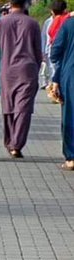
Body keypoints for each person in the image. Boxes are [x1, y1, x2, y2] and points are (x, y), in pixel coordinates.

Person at [0, 0, 43, 158]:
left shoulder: (0, 22)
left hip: (7, 70)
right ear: (25, 3)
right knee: (23, 108)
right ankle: (16, 144)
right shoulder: (32, 24)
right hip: (27, 70)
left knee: (8, 107)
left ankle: (9, 141)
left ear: (10, 3)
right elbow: (38, 51)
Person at [50, 15, 74, 170]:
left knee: (70, 116)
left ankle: (71, 158)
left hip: (70, 75)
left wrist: (56, 78)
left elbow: (55, 52)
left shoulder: (69, 24)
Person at [44, 0, 69, 94]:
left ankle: (54, 90)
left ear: (52, 11)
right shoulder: (66, 19)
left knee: (56, 72)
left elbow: (50, 34)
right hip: (65, 51)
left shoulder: (55, 21)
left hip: (56, 50)